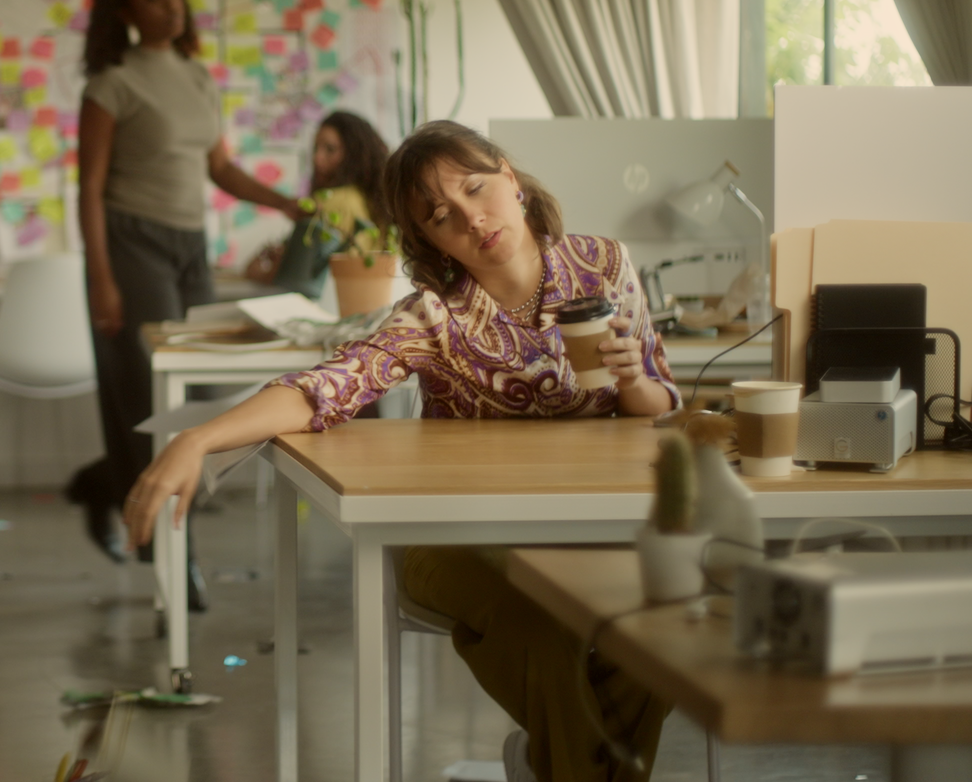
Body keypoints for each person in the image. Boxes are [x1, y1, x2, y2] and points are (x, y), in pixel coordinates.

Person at [123, 120, 679, 782]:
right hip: (452, 534)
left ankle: (558, 763)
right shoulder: (434, 317)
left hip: (586, 525)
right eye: (442, 216)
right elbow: (325, 387)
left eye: (477, 189)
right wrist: (198, 436)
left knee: (664, 620)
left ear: (512, 179)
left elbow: (658, 406)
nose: (472, 219)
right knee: (541, 621)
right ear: (429, 240)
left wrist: (635, 381)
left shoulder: (606, 265)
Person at [68, 0, 304, 562]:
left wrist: (290, 205)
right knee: (148, 391)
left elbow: (220, 167)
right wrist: (101, 278)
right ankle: (173, 551)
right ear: (123, 11)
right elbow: (89, 187)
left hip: (189, 245)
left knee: (196, 387)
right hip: (130, 241)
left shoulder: (197, 76)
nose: (171, 2)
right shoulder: (112, 82)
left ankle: (102, 483)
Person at [244, 110, 391, 296]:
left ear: (355, 153)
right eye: (315, 149)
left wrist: (257, 273)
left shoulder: (329, 201)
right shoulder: (372, 201)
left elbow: (296, 281)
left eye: (330, 149)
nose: (317, 158)